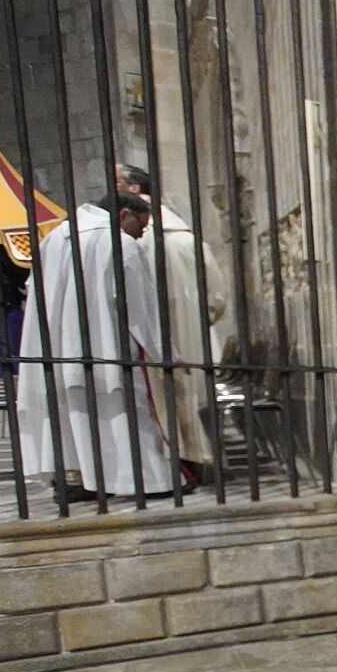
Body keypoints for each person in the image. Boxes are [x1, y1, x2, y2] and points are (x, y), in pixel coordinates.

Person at [17, 194, 173, 506]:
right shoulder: (119, 244)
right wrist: (163, 353)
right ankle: (147, 480)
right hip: (105, 347)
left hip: (58, 349)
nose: (140, 234)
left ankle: (84, 479)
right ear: (124, 213)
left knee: (74, 414)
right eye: (139, 226)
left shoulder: (54, 238)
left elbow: (33, 292)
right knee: (121, 409)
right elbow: (140, 308)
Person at [118, 163, 228, 480]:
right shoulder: (187, 237)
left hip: (150, 339)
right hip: (194, 337)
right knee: (192, 400)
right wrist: (197, 321)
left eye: (117, 182)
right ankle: (200, 464)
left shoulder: (133, 240)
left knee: (162, 400)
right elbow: (217, 297)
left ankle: (171, 470)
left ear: (134, 190)